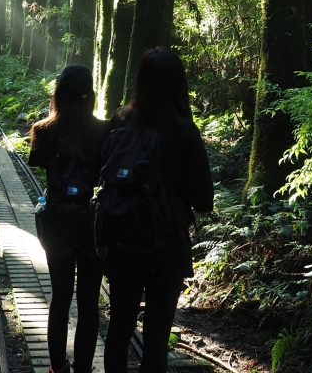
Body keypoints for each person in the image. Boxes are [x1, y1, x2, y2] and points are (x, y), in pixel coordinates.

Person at [102, 46, 215, 373]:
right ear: (178, 85)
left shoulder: (121, 121)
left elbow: (105, 171)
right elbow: (204, 200)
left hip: (122, 242)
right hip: (166, 246)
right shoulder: (184, 131)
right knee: (155, 339)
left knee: (119, 329)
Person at [28, 64, 107, 373]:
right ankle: (84, 369)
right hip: (91, 225)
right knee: (89, 303)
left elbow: (42, 166)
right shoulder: (104, 131)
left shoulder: (43, 131)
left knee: (60, 298)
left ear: (58, 95)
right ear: (91, 95)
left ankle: (57, 367)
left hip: (57, 225)